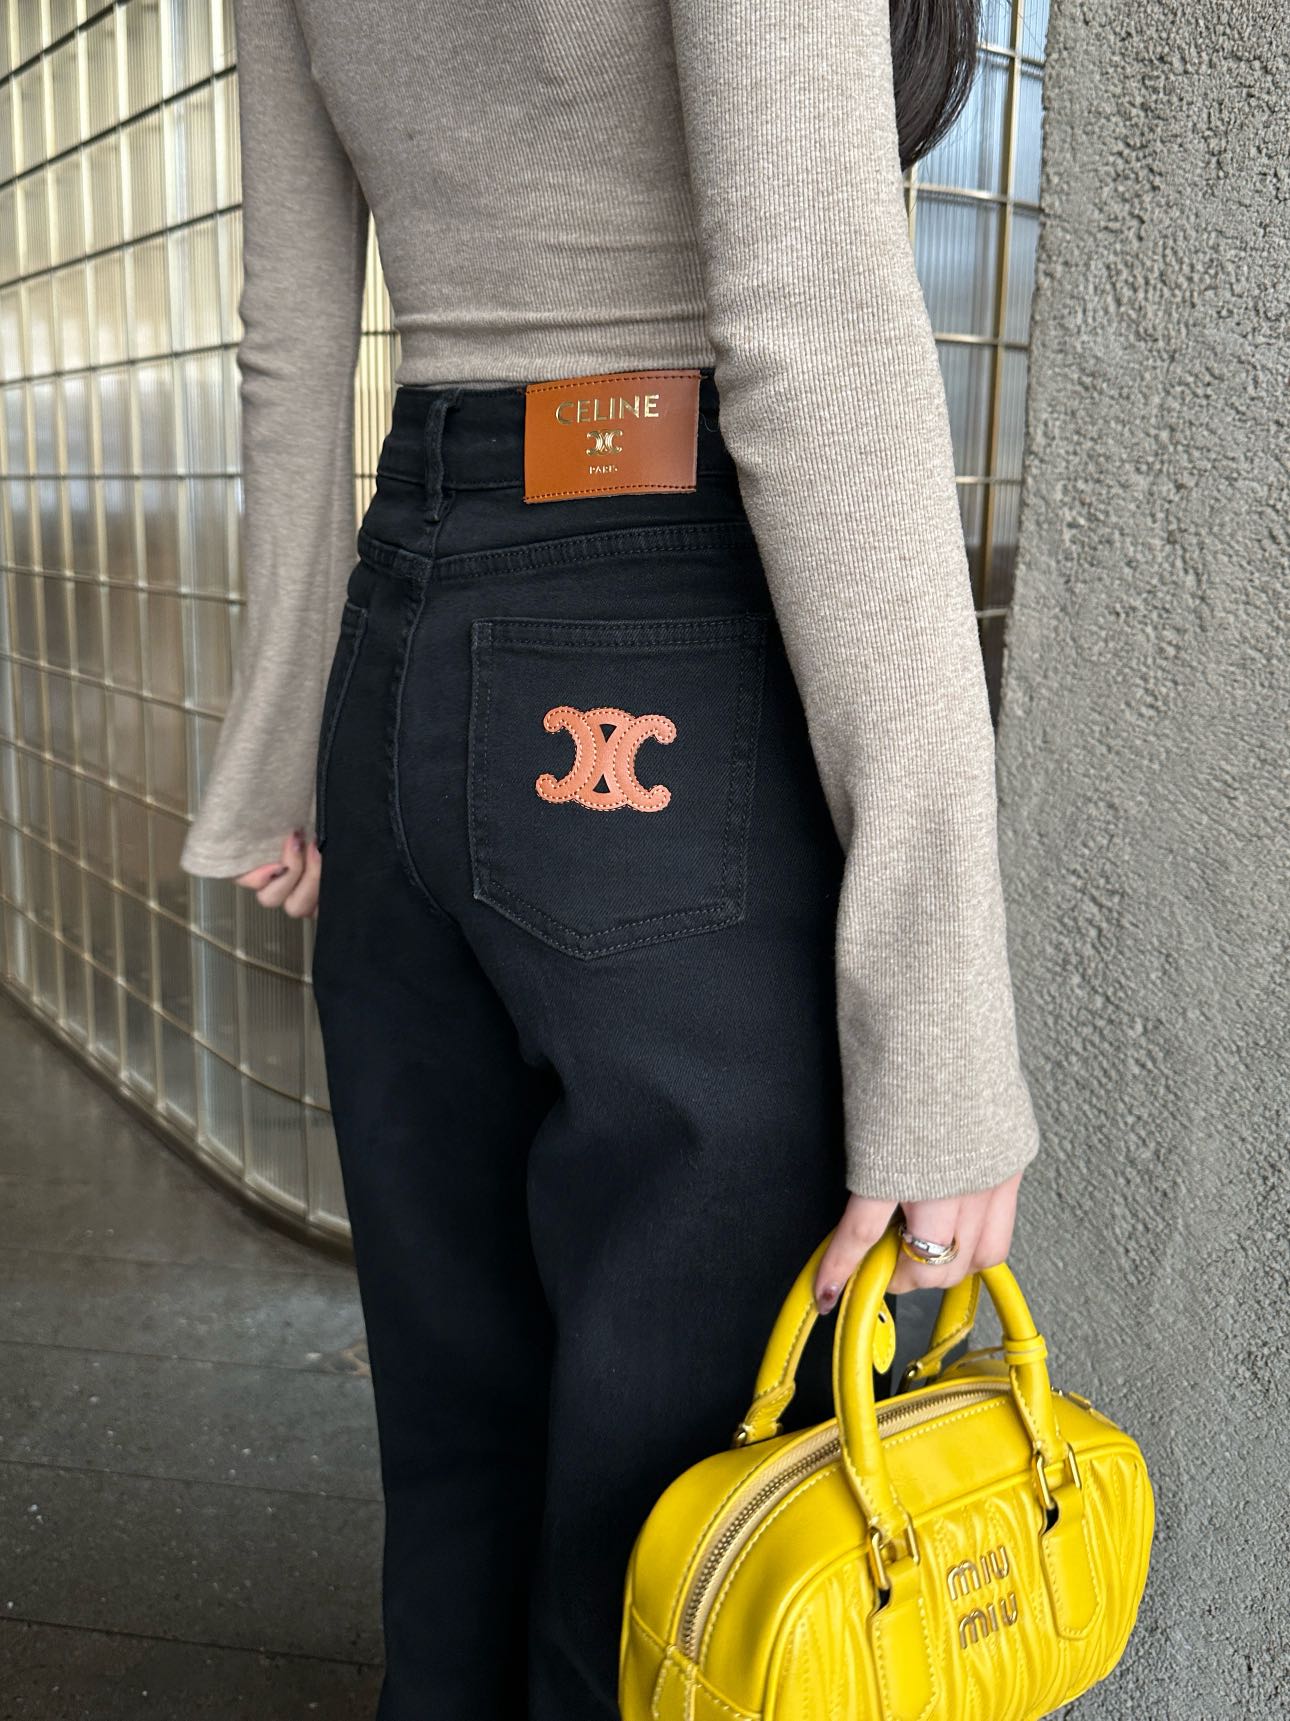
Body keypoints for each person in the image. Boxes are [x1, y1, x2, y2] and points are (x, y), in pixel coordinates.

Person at [180, 1, 1040, 1716]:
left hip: (407, 635)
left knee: (458, 1445)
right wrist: (943, 1031)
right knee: (689, 1496)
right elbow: (815, 324)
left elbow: (293, 324)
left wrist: (281, 746)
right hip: (669, 618)